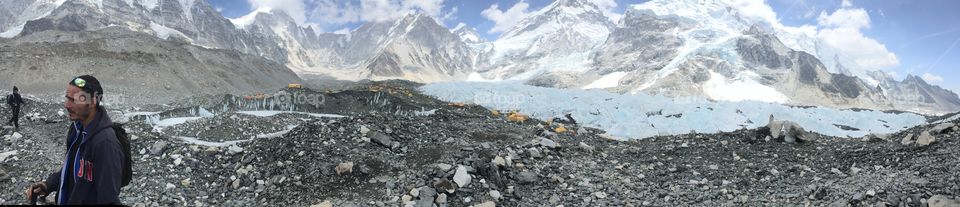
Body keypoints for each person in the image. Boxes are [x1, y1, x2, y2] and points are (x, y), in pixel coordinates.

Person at [24, 75, 124, 205]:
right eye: (67, 98)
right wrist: (48, 185)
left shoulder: (105, 143)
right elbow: (71, 169)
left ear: (93, 102)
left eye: (74, 100)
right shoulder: (77, 129)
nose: (67, 105)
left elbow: (109, 199)